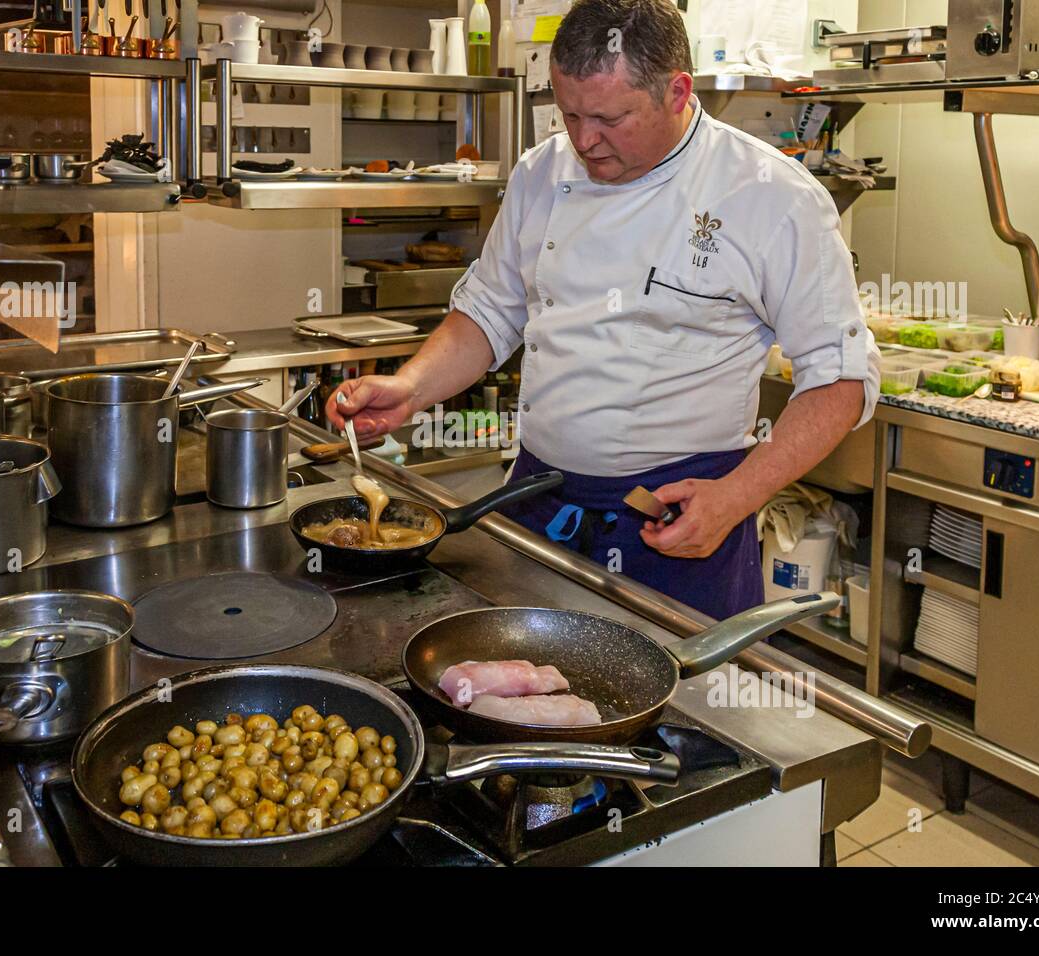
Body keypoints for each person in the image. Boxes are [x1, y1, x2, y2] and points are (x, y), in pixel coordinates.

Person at [327, 0, 880, 619]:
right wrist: (410, 388)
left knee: (678, 709)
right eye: (570, 115)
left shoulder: (771, 197)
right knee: (515, 696)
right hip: (537, 501)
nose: (585, 140)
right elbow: (490, 310)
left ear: (677, 92)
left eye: (610, 118)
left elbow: (841, 377)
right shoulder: (542, 173)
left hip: (679, 515)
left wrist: (735, 497)